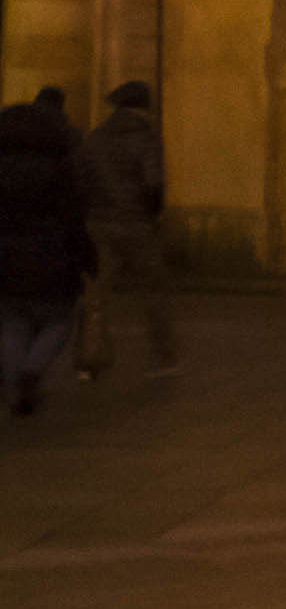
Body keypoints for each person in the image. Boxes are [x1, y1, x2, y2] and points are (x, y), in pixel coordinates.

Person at [0, 97, 91, 415]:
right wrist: (87, 258)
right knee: (57, 321)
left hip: (7, 260)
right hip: (52, 258)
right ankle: (31, 373)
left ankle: (14, 382)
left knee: (12, 321)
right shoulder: (61, 170)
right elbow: (73, 219)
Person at [78, 81, 172, 378]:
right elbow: (153, 184)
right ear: (142, 107)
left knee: (97, 296)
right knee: (153, 291)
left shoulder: (95, 138)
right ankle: (163, 358)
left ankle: (88, 359)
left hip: (101, 224)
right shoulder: (147, 138)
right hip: (137, 224)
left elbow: (83, 181)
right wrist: (152, 215)